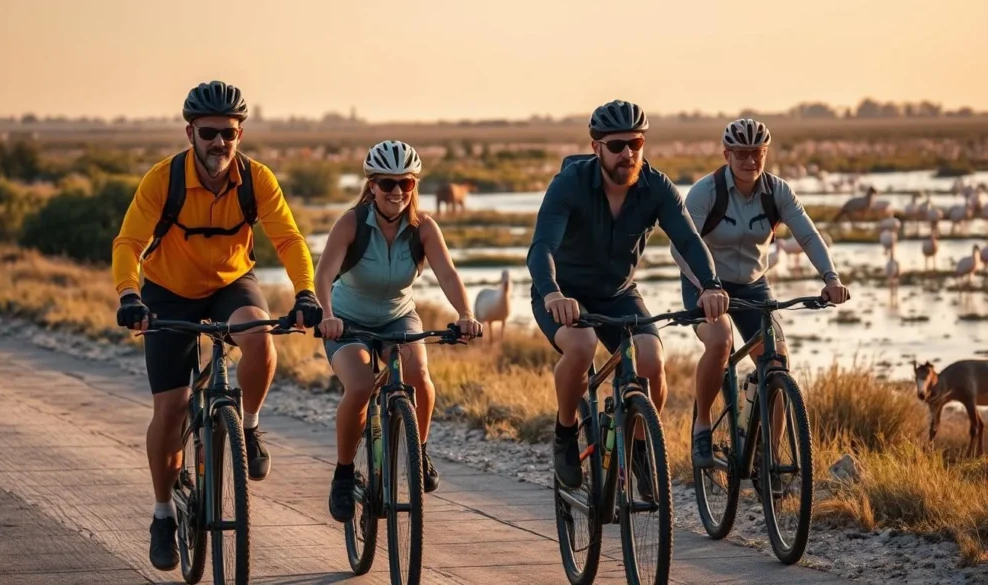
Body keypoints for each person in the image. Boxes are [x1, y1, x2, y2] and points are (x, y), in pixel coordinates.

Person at [111, 80, 323, 571]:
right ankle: (164, 513)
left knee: (261, 341)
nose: (219, 143)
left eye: (229, 133)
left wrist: (306, 292)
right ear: (190, 132)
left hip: (232, 282)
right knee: (171, 409)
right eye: (208, 133)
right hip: (168, 292)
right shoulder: (162, 180)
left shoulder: (256, 180)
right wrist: (129, 294)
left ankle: (247, 427)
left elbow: (289, 239)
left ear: (240, 135)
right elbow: (128, 243)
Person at [526, 99, 730, 490]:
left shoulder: (656, 186)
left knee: (651, 361)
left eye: (635, 143)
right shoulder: (569, 184)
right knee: (582, 346)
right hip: (563, 295)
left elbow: (688, 239)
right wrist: (552, 293)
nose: (628, 153)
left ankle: (638, 446)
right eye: (617, 145)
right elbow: (542, 249)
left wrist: (710, 284)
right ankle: (565, 433)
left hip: (618, 294)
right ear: (595, 147)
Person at [313, 140, 483, 522]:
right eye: (387, 184)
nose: (396, 192)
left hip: (398, 316)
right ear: (371, 185)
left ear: (414, 185)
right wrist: (326, 313)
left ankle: (418, 452)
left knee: (419, 375)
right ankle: (343, 474)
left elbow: (448, 274)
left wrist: (466, 313)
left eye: (405, 184)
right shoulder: (352, 222)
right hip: (347, 318)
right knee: (358, 386)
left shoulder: (423, 227)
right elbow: (324, 274)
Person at [670, 117, 850, 472]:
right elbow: (681, 247)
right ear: (727, 154)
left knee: (777, 361)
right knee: (720, 342)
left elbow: (808, 236)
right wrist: (707, 286)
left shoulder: (777, 191)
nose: (751, 161)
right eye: (742, 154)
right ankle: (703, 424)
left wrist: (831, 278)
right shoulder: (706, 192)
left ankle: (771, 457)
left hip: (753, 283)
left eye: (758, 153)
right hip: (705, 283)